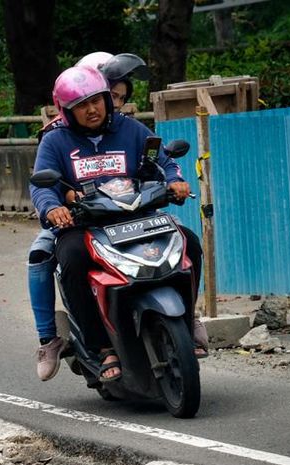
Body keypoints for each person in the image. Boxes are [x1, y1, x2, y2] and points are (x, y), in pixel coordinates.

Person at [28, 54, 207, 382]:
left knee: (189, 244)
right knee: (70, 259)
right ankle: (99, 346)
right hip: (87, 226)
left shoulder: (132, 130)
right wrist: (53, 208)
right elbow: (42, 185)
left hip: (138, 217)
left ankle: (188, 318)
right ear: (67, 111)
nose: (92, 109)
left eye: (97, 100)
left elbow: (163, 161)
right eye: (81, 105)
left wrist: (175, 182)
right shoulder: (55, 141)